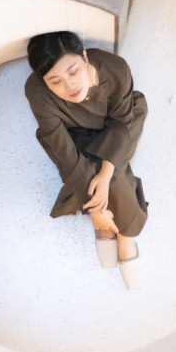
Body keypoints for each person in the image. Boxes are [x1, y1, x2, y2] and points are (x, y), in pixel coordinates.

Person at [25, 31, 148, 290]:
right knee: (81, 162)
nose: (70, 86)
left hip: (120, 122)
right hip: (74, 132)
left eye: (73, 71)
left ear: (84, 56)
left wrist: (105, 174)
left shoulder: (115, 68)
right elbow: (66, 153)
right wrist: (96, 210)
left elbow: (121, 123)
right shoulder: (36, 91)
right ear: (43, 80)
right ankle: (123, 229)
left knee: (108, 171)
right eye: (55, 81)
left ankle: (125, 237)